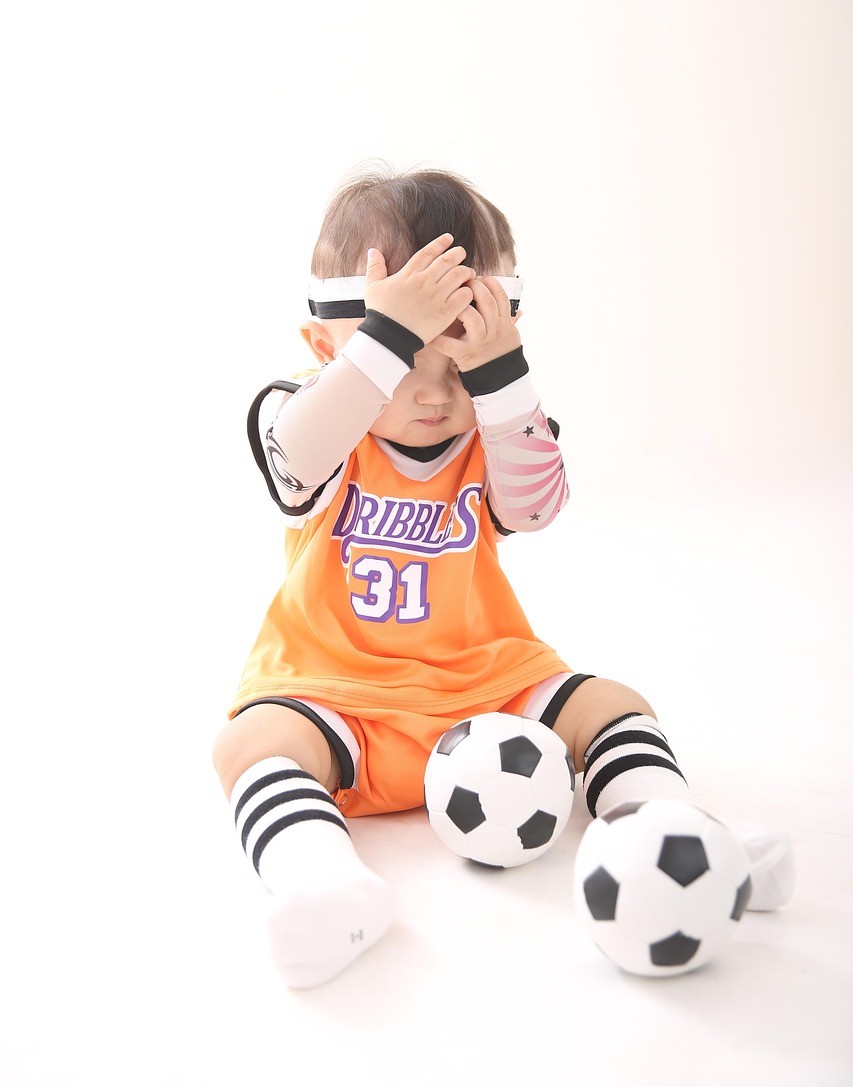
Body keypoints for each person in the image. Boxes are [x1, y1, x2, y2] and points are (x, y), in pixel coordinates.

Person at [212, 168, 792, 989]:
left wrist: (499, 373)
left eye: (457, 363)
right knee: (250, 743)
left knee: (610, 702)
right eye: (401, 362)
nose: (432, 393)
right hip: (333, 688)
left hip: (481, 681)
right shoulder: (313, 417)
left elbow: (534, 507)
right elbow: (296, 460)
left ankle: (673, 828)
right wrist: (384, 337)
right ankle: (322, 884)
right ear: (326, 350)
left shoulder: (498, 421)